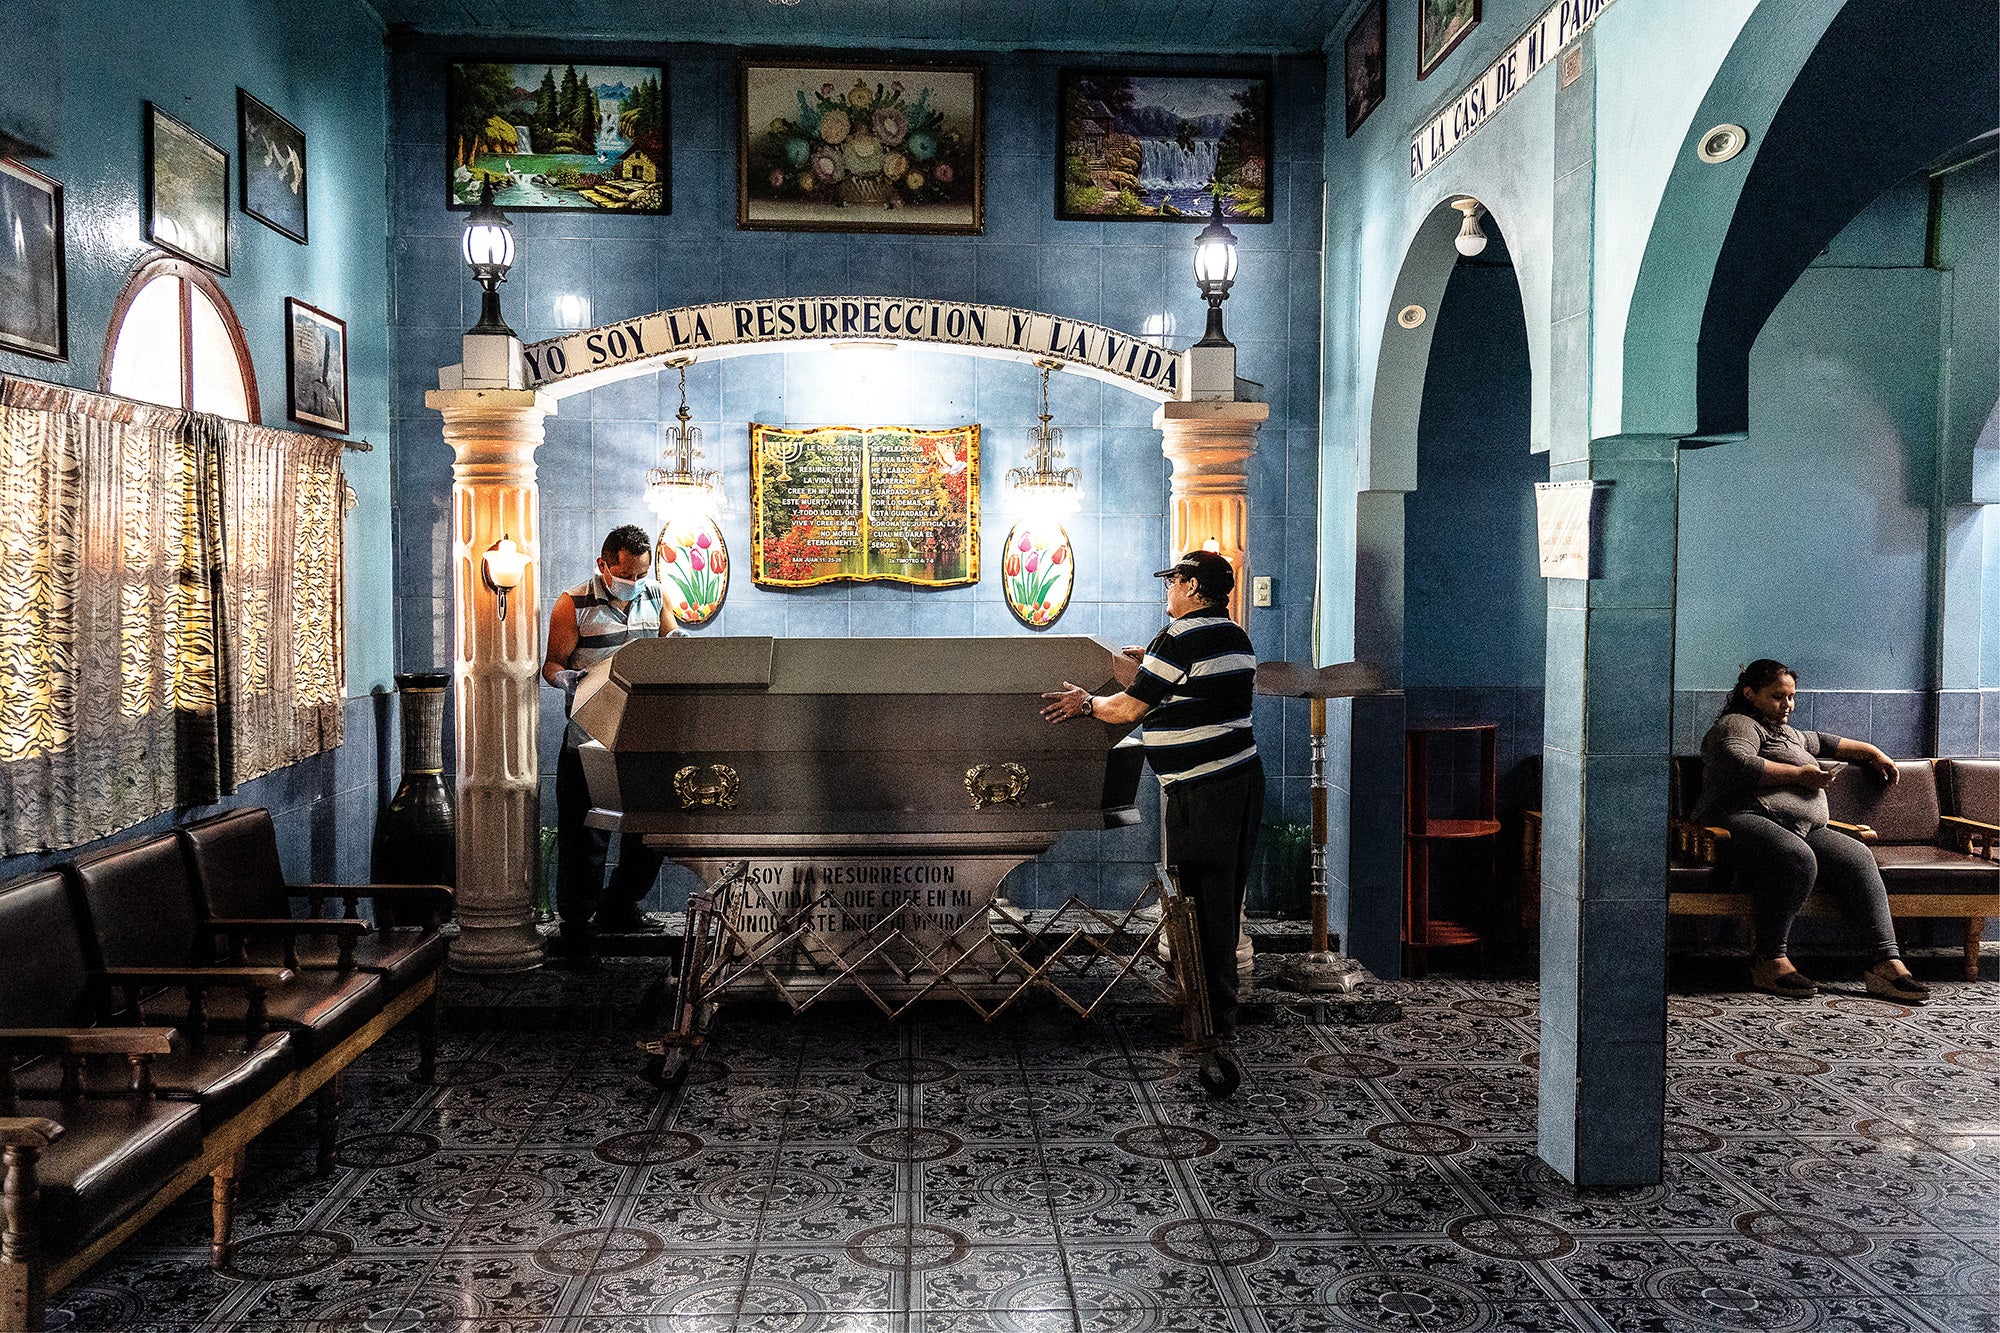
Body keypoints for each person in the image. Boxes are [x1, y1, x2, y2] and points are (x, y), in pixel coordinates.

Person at [1041, 550, 1262, 1082]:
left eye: (1174, 581)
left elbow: (1131, 708)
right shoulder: (1234, 635)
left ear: (1192, 588)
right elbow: (1181, 693)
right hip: (1240, 782)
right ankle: (1217, 1017)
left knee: (1199, 905)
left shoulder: (1179, 637)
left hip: (1201, 792)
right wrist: (1147, 671)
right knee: (1221, 903)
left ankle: (1210, 1030)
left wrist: (1085, 704)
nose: (1168, 591)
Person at [1693, 659, 1929, 1003]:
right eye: (1778, 697)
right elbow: (1738, 761)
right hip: (1737, 820)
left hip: (1798, 825)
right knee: (1795, 857)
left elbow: (1825, 742)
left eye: (1791, 697)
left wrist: (1873, 752)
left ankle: (1885, 961)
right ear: (1750, 693)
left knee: (1857, 856)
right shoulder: (1737, 724)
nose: (1787, 705)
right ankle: (1770, 961)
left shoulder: (1787, 733)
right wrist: (1798, 775)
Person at [543, 524, 672, 964]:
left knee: (648, 830)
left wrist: (679, 648)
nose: (635, 584)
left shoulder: (656, 597)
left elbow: (669, 643)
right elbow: (552, 665)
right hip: (589, 737)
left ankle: (619, 906)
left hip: (643, 737)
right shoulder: (572, 603)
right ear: (604, 565)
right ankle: (577, 926)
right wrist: (568, 679)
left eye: (641, 574)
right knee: (586, 836)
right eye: (627, 574)